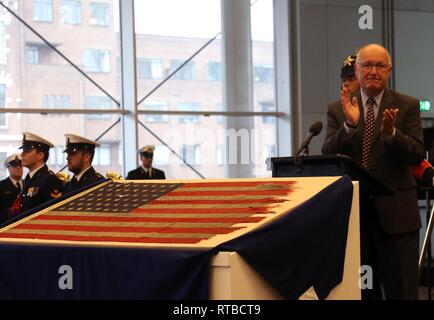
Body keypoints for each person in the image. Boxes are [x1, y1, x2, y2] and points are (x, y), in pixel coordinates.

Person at [322, 44, 425, 299]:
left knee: (402, 292)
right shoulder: (339, 108)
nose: (373, 71)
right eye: (367, 65)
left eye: (380, 66)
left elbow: (417, 154)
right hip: (356, 218)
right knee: (364, 294)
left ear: (389, 71)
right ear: (357, 70)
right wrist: (349, 125)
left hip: (397, 219)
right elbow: (328, 153)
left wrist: (392, 134)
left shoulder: (407, 105)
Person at [19, 132, 63, 213]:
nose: (22, 154)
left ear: (40, 155)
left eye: (27, 150)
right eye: (23, 150)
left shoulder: (49, 179)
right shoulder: (29, 178)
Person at [0, 154, 23, 223]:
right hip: (7, 224)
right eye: (14, 165)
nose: (18, 167)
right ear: (8, 168)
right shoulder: (1, 185)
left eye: (20, 165)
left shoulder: (28, 184)